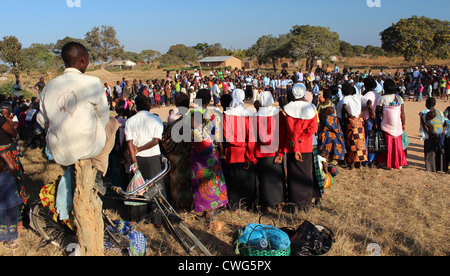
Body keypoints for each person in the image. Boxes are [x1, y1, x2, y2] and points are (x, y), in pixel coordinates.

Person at [36, 42, 119, 255]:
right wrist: (92, 131)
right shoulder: (92, 82)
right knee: (112, 123)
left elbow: (42, 120)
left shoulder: (49, 86)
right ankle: (99, 170)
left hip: (60, 152)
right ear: (82, 60)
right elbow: (102, 115)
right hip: (89, 148)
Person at [125, 95, 165, 225]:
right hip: (153, 157)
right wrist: (141, 148)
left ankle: (140, 218)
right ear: (148, 103)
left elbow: (129, 143)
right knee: (156, 188)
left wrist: (134, 159)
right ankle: (157, 219)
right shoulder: (155, 119)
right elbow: (156, 140)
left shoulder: (130, 121)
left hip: (137, 159)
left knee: (139, 188)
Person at [189, 89, 228, 221]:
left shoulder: (191, 115)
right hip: (213, 152)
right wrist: (221, 152)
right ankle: (215, 207)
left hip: (198, 154)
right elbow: (218, 136)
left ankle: (206, 212)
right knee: (214, 179)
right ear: (209, 100)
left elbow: (189, 137)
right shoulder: (214, 114)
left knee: (201, 181)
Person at [281, 83, 318, 211]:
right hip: (306, 145)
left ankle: (294, 204)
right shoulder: (311, 108)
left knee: (293, 175)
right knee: (306, 174)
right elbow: (313, 127)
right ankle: (306, 204)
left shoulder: (288, 108)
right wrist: (302, 139)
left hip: (292, 146)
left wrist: (296, 143)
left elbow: (290, 130)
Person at [223, 89, 258, 211]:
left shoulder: (227, 115)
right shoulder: (249, 114)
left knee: (234, 181)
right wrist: (249, 154)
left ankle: (234, 206)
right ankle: (249, 205)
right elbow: (252, 137)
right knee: (247, 181)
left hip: (233, 153)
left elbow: (227, 136)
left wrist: (238, 143)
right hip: (246, 152)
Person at [255, 91, 285, 214]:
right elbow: (282, 135)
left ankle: (264, 206)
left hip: (261, 152)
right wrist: (281, 153)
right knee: (277, 178)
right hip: (275, 150)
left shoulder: (256, 116)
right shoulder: (278, 114)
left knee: (263, 179)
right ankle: (278, 205)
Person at [376, 79, 407, 170]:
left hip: (386, 125)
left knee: (388, 145)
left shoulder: (382, 99)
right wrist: (403, 124)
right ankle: (399, 162)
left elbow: (377, 111)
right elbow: (402, 112)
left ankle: (387, 162)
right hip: (397, 125)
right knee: (398, 145)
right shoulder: (399, 98)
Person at [341, 83, 369, 170]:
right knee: (360, 141)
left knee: (351, 141)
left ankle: (352, 163)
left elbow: (344, 106)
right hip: (359, 121)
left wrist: (349, 114)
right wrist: (362, 111)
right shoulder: (358, 96)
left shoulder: (345, 98)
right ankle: (360, 163)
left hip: (352, 121)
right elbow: (369, 102)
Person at [317, 88, 346, 163]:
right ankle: (335, 157)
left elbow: (319, 117)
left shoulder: (320, 105)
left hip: (322, 129)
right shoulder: (333, 105)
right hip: (332, 129)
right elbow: (333, 119)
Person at [419, 98, 447, 172]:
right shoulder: (440, 113)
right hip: (440, 136)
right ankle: (440, 168)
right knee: (439, 151)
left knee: (429, 153)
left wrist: (431, 134)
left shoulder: (424, 113)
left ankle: (430, 169)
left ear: (426, 104)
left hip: (429, 137)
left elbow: (425, 126)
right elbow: (444, 123)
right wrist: (440, 133)